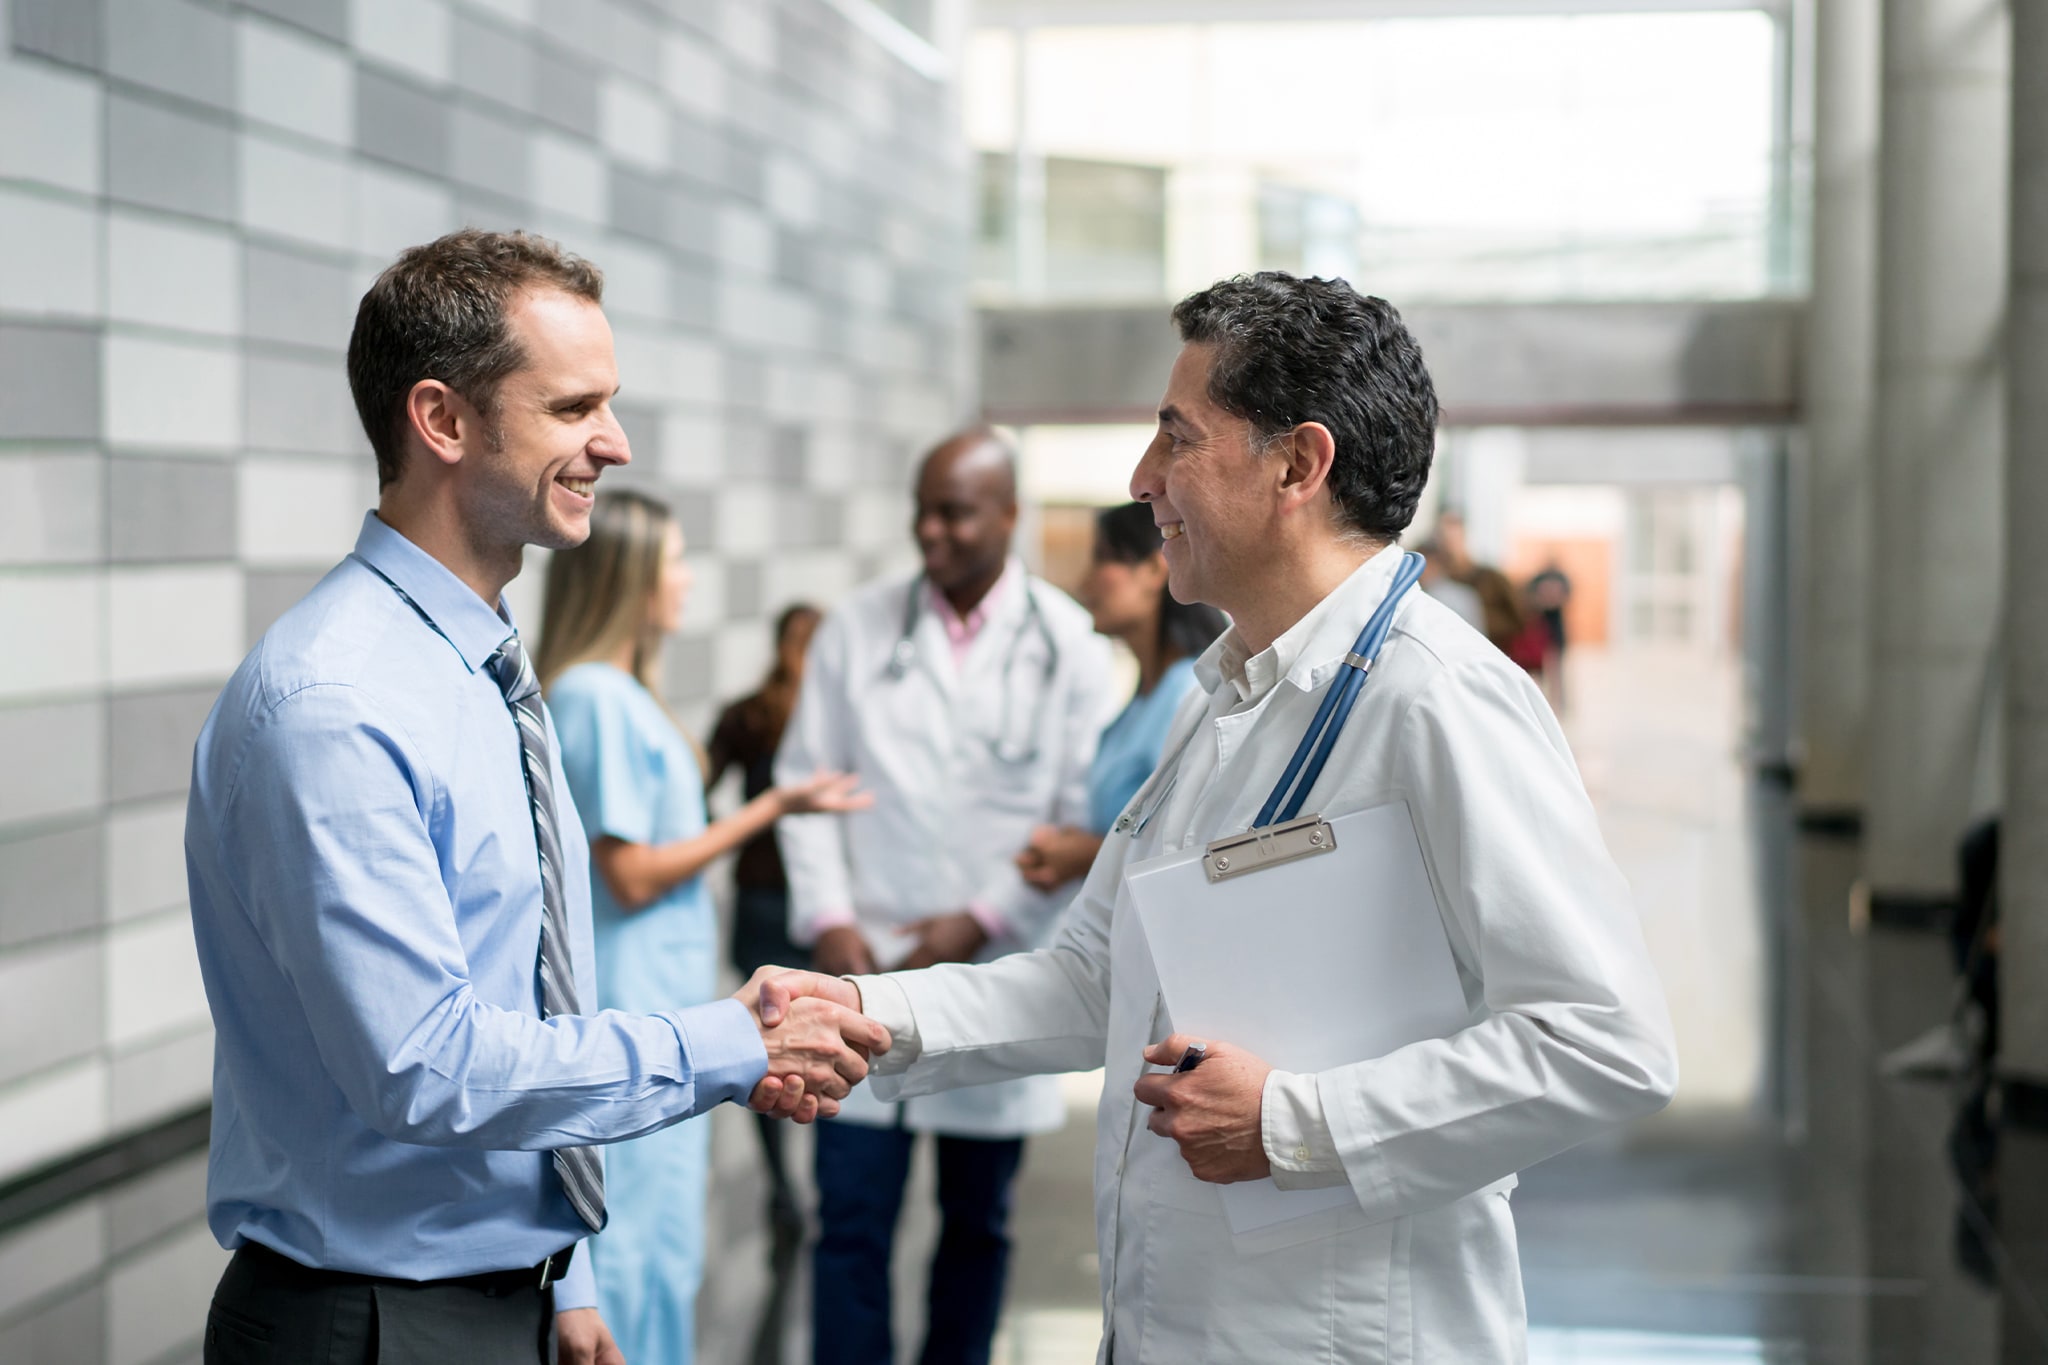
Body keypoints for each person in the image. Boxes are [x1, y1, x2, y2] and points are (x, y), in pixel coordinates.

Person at [844, 273, 1679, 1362]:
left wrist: (1294, 1124)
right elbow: (1097, 979)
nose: (1142, 482)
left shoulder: (1439, 699)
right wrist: (864, 1015)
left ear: (1298, 463)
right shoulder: (1226, 694)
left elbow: (1604, 1042)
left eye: (1174, 439)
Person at [184, 229, 886, 1365]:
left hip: (494, 1297)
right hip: (367, 1325)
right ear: (442, 422)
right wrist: (731, 1040)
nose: (614, 443)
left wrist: (565, 1272)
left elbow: (529, 986)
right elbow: (427, 1067)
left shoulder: (486, 675)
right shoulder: (337, 704)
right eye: (573, 409)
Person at [775, 426, 1116, 1365]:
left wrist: (981, 918)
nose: (930, 531)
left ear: (1008, 514)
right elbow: (806, 787)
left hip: (991, 973)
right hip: (860, 976)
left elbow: (1073, 822)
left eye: (955, 512)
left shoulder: (1069, 648)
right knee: (848, 1224)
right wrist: (832, 918)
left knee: (979, 1228)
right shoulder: (858, 628)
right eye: (922, 510)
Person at [537, 493, 869, 1365]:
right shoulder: (595, 699)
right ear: (630, 577)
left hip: (665, 997)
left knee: (664, 1240)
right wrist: (770, 805)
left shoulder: (621, 694)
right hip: (633, 996)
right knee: (634, 1243)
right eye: (673, 561)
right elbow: (632, 872)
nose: (685, 580)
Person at [1013, 501, 1229, 891]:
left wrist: (1086, 856)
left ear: (1152, 569)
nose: (1083, 585)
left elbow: (1193, 852)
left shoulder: (1192, 692)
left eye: (1103, 560)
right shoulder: (1143, 700)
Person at [708, 602, 826, 1238]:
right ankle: (814, 1178)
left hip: (759, 895)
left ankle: (783, 1185)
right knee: (823, 1037)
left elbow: (697, 786)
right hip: (815, 905)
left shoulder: (748, 715)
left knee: (763, 1043)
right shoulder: (831, 719)